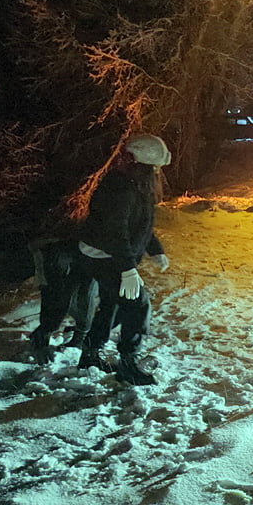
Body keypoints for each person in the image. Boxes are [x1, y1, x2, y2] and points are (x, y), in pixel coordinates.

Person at [74, 134, 172, 385]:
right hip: (102, 256)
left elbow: (140, 224)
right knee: (138, 304)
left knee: (113, 303)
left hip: (109, 254)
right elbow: (116, 231)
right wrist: (128, 270)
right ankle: (128, 364)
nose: (158, 173)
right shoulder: (121, 187)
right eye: (156, 168)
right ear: (146, 165)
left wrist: (155, 248)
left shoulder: (137, 185)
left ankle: (90, 354)